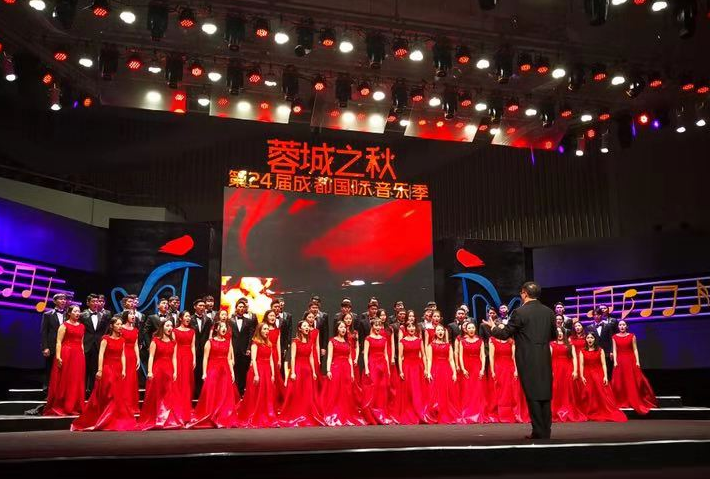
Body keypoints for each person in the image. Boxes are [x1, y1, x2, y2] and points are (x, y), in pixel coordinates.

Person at [483, 281, 556, 439]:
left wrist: (492, 327)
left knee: (533, 394)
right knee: (545, 393)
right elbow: (554, 335)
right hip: (544, 356)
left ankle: (539, 431)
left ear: (524, 293)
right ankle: (546, 431)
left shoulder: (519, 312)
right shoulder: (549, 312)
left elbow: (504, 334)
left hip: (527, 357)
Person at [71, 316, 136, 431]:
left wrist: (124, 369)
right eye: (117, 324)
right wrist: (100, 369)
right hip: (108, 367)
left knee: (117, 394)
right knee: (110, 393)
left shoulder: (122, 340)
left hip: (118, 368)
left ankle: (113, 417)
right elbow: (101, 354)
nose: (120, 326)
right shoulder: (105, 339)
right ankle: (105, 417)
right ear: (111, 326)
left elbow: (123, 355)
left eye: (121, 324)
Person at [188, 321, 239, 429]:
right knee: (213, 392)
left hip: (225, 369)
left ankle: (223, 416)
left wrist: (232, 372)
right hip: (213, 369)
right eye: (222, 326)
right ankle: (211, 415)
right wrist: (204, 372)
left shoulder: (228, 342)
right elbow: (205, 358)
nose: (224, 329)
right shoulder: (210, 342)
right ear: (216, 329)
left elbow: (229, 359)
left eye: (225, 327)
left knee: (224, 393)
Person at [138, 319, 183, 430]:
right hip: (158, 369)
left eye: (171, 326)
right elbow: (151, 357)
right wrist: (149, 371)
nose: (170, 328)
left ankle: (167, 418)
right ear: (162, 327)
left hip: (169, 370)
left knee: (169, 394)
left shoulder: (173, 342)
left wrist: (175, 371)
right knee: (157, 394)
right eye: (167, 325)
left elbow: (174, 358)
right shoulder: (155, 340)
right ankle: (157, 417)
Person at [279, 320, 325, 427]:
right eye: (304, 326)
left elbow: (311, 358)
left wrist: (314, 371)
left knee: (307, 393)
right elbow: (293, 358)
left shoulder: (310, 341)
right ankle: (295, 413)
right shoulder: (295, 342)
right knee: (297, 392)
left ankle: (307, 413)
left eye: (308, 326)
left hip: (307, 369)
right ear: (300, 328)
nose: (307, 327)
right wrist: (293, 372)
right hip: (298, 368)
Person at [320, 320, 364, 426]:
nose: (343, 329)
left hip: (346, 368)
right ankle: (335, 413)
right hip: (336, 368)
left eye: (344, 327)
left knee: (346, 392)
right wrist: (328, 370)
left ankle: (345, 413)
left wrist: (352, 372)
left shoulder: (348, 342)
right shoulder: (332, 341)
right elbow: (329, 357)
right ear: (337, 329)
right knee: (335, 391)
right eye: (341, 327)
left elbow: (349, 358)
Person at [44, 305, 85, 416]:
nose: (77, 313)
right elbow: (59, 342)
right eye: (75, 311)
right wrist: (58, 356)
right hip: (67, 353)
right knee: (66, 378)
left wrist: (82, 355)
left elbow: (81, 342)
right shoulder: (64, 325)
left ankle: (75, 404)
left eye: (79, 311)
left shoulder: (82, 326)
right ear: (69, 313)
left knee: (76, 379)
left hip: (78, 355)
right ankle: (64, 404)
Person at [235, 323, 278, 428]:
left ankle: (266, 415)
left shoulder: (269, 344)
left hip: (267, 371)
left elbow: (271, 360)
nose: (267, 331)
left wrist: (273, 374)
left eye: (267, 329)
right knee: (256, 394)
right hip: (258, 370)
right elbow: (253, 359)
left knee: (266, 394)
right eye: (264, 329)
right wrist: (256, 374)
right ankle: (255, 415)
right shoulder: (255, 343)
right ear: (260, 330)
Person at [579, 332, 627, 422]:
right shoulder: (582, 351)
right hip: (587, 373)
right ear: (586, 339)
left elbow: (604, 364)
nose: (589, 339)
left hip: (598, 373)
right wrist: (582, 376)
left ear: (595, 339)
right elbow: (581, 364)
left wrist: (605, 376)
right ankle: (589, 411)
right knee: (588, 392)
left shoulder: (600, 350)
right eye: (588, 338)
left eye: (591, 338)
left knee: (602, 393)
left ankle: (601, 410)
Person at [611, 320, 657, 414]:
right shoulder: (614, 337)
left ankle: (634, 398)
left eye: (623, 325)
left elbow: (635, 349)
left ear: (626, 326)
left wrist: (637, 361)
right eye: (620, 325)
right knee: (620, 381)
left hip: (630, 359)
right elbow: (615, 350)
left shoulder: (632, 336)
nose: (622, 326)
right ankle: (622, 400)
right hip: (620, 360)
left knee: (632, 380)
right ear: (618, 327)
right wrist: (615, 361)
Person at [361, 320, 396, 425]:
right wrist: (367, 368)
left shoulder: (384, 339)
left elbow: (386, 354)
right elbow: (365, 355)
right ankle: (371, 413)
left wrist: (388, 369)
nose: (378, 327)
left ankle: (381, 412)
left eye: (379, 326)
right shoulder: (368, 339)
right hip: (372, 364)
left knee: (382, 389)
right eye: (376, 325)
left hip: (383, 365)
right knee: (373, 388)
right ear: (372, 326)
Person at [394, 321, 429, 425]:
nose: (411, 328)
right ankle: (409, 412)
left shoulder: (419, 340)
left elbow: (423, 355)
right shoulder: (402, 341)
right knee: (408, 391)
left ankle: (419, 411)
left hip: (418, 367)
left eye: (413, 326)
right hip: (407, 367)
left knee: (418, 390)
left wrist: (426, 368)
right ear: (406, 329)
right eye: (409, 326)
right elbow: (400, 357)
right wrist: (401, 371)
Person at [425, 323, 460, 424]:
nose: (440, 332)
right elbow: (429, 360)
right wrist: (428, 371)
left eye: (442, 330)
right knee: (435, 392)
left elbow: (451, 360)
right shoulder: (431, 345)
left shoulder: (448, 345)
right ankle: (436, 413)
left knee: (447, 392)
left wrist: (454, 372)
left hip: (446, 369)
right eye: (438, 330)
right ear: (435, 332)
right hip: (435, 369)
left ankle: (446, 412)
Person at [458, 321, 493, 424]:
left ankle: (479, 412)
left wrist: (482, 369)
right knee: (467, 391)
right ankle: (468, 413)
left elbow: (483, 356)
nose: (471, 330)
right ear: (466, 330)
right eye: (469, 328)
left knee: (478, 391)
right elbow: (460, 356)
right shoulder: (462, 341)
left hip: (477, 367)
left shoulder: (480, 341)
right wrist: (463, 369)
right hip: (467, 368)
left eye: (473, 328)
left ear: (475, 329)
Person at [550, 327, 586, 422]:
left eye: (561, 332)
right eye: (558, 332)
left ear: (564, 333)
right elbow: (549, 359)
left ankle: (568, 410)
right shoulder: (552, 344)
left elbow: (574, 358)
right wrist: (550, 371)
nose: (560, 334)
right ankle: (555, 411)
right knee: (556, 389)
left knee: (567, 390)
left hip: (567, 369)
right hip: (556, 369)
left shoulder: (570, 345)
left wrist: (575, 371)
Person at [82, 293, 110, 394]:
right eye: (93, 301)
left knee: (95, 369)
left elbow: (106, 331)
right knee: (84, 370)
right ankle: (82, 391)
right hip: (86, 345)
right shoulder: (82, 315)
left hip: (98, 345)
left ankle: (93, 393)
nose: (96, 303)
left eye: (97, 301)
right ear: (88, 303)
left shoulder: (104, 315)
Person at [40, 293, 68, 391]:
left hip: (65, 346)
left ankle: (61, 389)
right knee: (50, 368)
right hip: (52, 345)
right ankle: (47, 388)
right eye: (60, 299)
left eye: (64, 299)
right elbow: (44, 332)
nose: (63, 301)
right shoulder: (48, 314)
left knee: (63, 368)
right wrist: (45, 347)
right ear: (55, 301)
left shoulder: (68, 315)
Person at [230, 298, 257, 396]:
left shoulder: (249, 321)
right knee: (233, 371)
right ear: (236, 308)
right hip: (233, 349)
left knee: (243, 372)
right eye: (239, 307)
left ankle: (241, 392)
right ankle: (233, 393)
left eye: (243, 307)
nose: (241, 308)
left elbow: (251, 336)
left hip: (245, 350)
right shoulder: (230, 321)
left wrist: (249, 348)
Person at [174, 310, 196, 423]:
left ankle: (186, 406)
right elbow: (174, 346)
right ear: (181, 318)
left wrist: (194, 359)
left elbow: (193, 346)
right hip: (178, 356)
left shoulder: (192, 331)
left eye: (189, 316)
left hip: (188, 357)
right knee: (179, 381)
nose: (188, 318)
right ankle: (178, 406)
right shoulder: (175, 331)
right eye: (186, 316)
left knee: (187, 382)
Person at [586, 306, 618, 377]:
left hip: (607, 352)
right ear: (593, 316)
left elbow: (611, 339)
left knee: (608, 371)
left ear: (601, 315)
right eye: (595, 315)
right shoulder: (589, 327)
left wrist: (611, 351)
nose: (596, 316)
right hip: (595, 352)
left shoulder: (608, 326)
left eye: (598, 314)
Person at [191, 298, 213, 396]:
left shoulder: (208, 320)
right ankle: (193, 392)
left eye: (203, 306)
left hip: (205, 349)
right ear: (195, 307)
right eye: (200, 305)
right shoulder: (190, 319)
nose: (202, 307)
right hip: (193, 349)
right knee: (193, 371)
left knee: (203, 371)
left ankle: (202, 393)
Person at [120, 310, 140, 414]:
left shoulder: (135, 330)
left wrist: (138, 357)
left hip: (132, 356)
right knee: (124, 379)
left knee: (132, 380)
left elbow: (136, 344)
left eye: (134, 314)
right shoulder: (121, 328)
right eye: (131, 314)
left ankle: (131, 405)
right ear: (125, 316)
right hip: (123, 354)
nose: (133, 316)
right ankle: (123, 404)